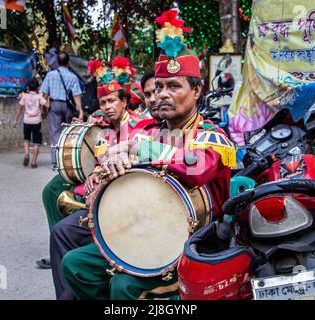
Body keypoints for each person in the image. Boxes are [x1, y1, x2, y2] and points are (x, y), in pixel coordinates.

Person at [60, 10, 237, 300]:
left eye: (174, 86)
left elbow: (197, 168)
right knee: (75, 265)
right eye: (160, 87)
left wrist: (141, 149)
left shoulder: (212, 137)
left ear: (196, 92)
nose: (163, 94)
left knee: (124, 287)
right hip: (143, 230)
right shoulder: (149, 134)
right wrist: (108, 176)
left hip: (192, 246)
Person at [48, 59, 152, 300]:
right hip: (103, 202)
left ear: (124, 102)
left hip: (126, 206)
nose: (106, 107)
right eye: (103, 102)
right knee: (60, 232)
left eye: (111, 101)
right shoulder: (104, 131)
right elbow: (99, 162)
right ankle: (67, 295)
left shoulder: (142, 128)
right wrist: (95, 175)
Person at [41, 52, 84, 164]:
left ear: (57, 62)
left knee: (55, 133)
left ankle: (56, 161)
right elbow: (76, 95)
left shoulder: (50, 75)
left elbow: (44, 94)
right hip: (68, 107)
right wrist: (80, 110)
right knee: (67, 132)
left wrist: (44, 108)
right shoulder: (73, 76)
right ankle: (66, 159)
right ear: (68, 63)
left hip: (54, 105)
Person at [13, 78, 48, 168]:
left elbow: (20, 109)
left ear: (28, 87)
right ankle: (33, 162)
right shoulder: (39, 97)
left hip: (27, 121)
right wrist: (44, 97)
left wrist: (16, 120)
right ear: (37, 88)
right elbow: (47, 105)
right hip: (36, 122)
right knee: (36, 142)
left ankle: (26, 154)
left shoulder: (24, 96)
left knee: (26, 139)